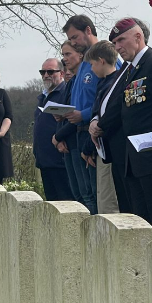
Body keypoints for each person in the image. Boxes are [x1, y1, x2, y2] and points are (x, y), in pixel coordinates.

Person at [98, 17, 152, 236]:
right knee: (141, 221)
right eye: (114, 43)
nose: (117, 47)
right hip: (134, 158)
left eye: (121, 40)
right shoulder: (130, 69)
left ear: (138, 37)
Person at [60, 15, 102, 213]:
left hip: (94, 133)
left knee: (94, 195)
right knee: (83, 195)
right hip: (80, 133)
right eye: (71, 39)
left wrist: (83, 115)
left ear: (88, 30)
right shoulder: (85, 62)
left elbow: (108, 98)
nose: (73, 42)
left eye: (75, 37)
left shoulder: (103, 56)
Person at [81, 42, 120, 213]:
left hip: (109, 149)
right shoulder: (102, 83)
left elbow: (106, 118)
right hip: (100, 148)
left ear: (101, 61)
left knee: (107, 201)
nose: (91, 68)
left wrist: (88, 147)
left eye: (92, 64)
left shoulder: (115, 83)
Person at [33, 58, 73, 200]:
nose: (46, 75)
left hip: (59, 159)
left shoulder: (65, 93)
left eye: (50, 72)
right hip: (44, 159)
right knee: (51, 202)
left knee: (65, 201)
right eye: (42, 72)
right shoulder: (43, 96)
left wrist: (60, 137)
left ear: (61, 73)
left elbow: (71, 122)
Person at [53, 41, 87, 203]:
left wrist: (58, 136)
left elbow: (82, 111)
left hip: (79, 140)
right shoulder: (72, 83)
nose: (65, 59)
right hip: (69, 143)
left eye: (68, 54)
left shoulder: (82, 80)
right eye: (63, 55)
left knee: (86, 194)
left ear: (80, 54)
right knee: (77, 194)